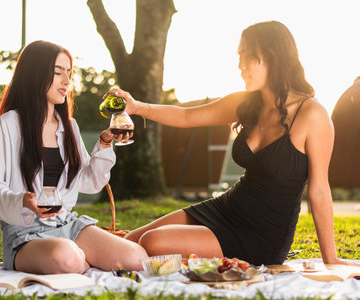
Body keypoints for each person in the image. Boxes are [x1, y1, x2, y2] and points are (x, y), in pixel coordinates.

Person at [104, 21, 356, 266]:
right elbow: (186, 116)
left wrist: (330, 258)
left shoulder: (312, 115)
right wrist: (137, 107)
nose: (239, 65)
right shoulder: (246, 102)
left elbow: (320, 190)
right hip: (226, 208)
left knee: (153, 242)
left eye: (245, 55)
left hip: (260, 235)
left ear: (269, 56)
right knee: (129, 241)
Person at [0, 40, 147, 275]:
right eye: (58, 72)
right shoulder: (9, 124)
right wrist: (22, 200)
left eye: (69, 73)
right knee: (67, 258)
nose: (67, 81)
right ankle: (82, 261)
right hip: (25, 234)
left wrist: (105, 144)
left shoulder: (69, 126)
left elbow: (89, 182)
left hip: (66, 224)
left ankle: (82, 260)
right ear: (35, 74)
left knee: (136, 258)